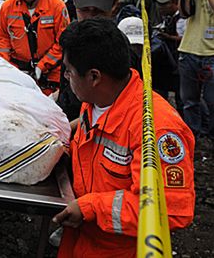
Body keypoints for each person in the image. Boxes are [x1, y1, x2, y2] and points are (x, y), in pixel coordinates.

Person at [53, 18, 195, 258]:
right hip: (80, 239)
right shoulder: (97, 100)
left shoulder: (157, 129)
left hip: (119, 250)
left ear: (94, 76)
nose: (66, 76)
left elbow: (170, 210)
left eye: (69, 71)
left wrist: (91, 208)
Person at [0, 0, 69, 95]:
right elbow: (2, 40)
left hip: (50, 78)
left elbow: (63, 42)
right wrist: (5, 68)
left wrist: (42, 66)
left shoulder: (57, 6)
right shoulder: (7, 6)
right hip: (17, 73)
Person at [178, 0, 214, 138]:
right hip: (189, 50)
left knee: (211, 99)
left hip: (211, 54)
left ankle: (210, 134)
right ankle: (193, 135)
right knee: (189, 101)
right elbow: (184, 13)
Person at [152, 0, 184, 108]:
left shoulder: (182, 18)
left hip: (180, 62)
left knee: (183, 97)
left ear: (175, 2)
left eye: (164, 4)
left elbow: (184, 38)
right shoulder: (167, 18)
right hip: (167, 63)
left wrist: (167, 37)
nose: (160, 7)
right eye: (159, 4)